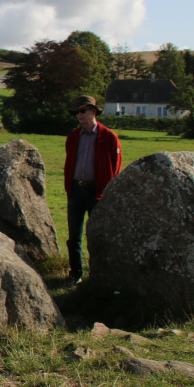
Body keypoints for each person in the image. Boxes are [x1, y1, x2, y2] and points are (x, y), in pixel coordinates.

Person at [63, 95, 121, 284]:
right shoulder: (73, 137)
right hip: (76, 191)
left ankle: (100, 275)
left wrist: (107, 192)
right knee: (74, 236)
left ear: (94, 111)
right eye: (77, 112)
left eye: (83, 111)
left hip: (97, 193)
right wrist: (69, 188)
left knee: (99, 236)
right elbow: (69, 161)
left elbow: (115, 167)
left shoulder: (109, 137)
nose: (79, 115)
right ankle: (75, 274)